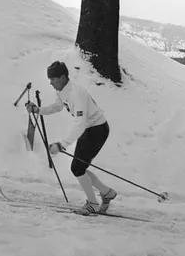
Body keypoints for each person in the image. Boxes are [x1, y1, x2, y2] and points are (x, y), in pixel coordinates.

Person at [25, 61, 117, 216]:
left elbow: (80, 123)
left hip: (97, 130)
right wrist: (37, 110)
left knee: (77, 168)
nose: (51, 83)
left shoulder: (76, 93)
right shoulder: (62, 91)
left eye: (53, 79)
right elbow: (56, 107)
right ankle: (106, 193)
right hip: (89, 129)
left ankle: (93, 204)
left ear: (62, 77)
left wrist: (62, 144)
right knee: (79, 168)